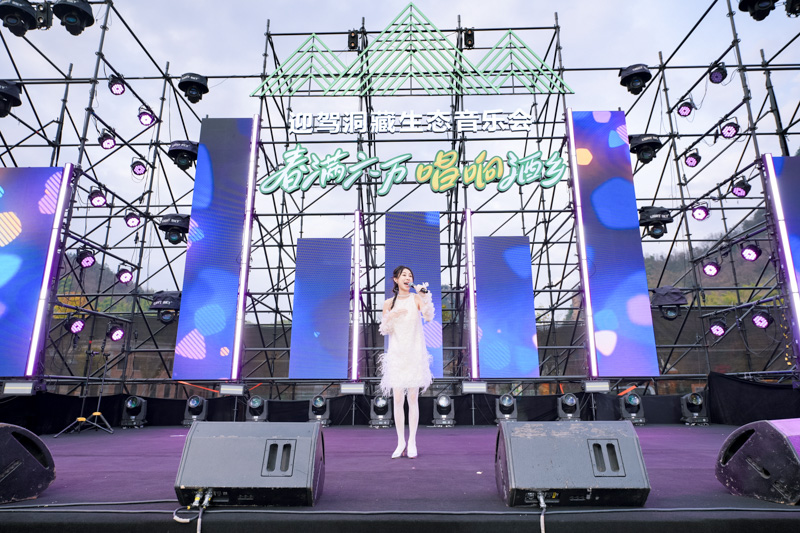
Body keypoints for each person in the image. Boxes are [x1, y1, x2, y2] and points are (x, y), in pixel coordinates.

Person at [378, 265, 434, 459]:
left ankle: (412, 442)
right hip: (397, 354)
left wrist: (425, 297)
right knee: (397, 398)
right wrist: (391, 315)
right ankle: (400, 441)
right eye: (404, 275)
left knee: (412, 397)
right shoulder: (388, 303)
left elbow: (428, 317)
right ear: (396, 279)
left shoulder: (416, 298)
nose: (408, 277)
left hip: (414, 352)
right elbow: (384, 329)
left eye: (410, 275)